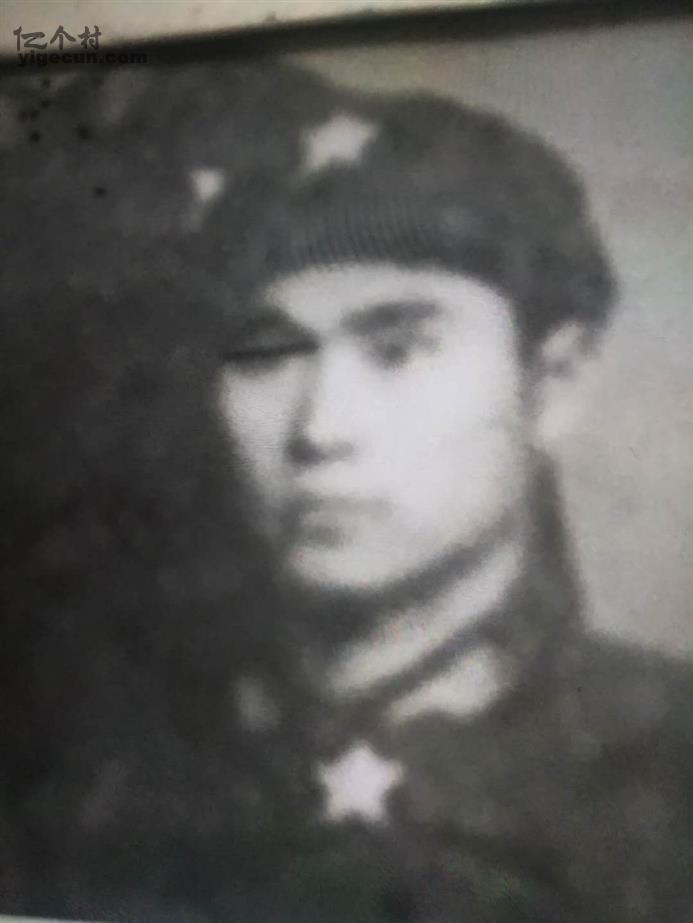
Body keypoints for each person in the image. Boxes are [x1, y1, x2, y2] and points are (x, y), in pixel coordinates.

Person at [206, 89, 693, 921]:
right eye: (264, 353)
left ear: (551, 384)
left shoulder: (670, 767)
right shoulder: (109, 762)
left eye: (396, 349)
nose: (319, 428)